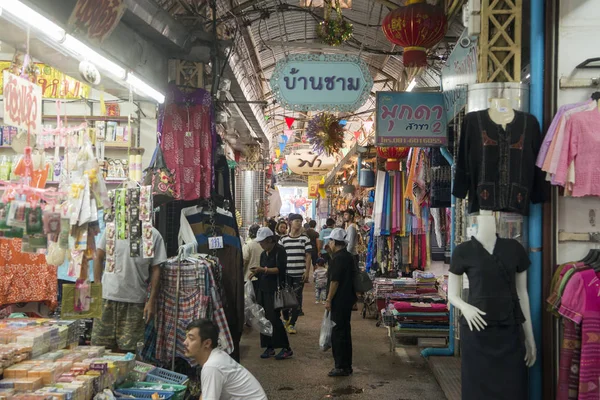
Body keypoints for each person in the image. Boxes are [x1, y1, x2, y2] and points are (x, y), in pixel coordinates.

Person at [91, 226, 167, 352]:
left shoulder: (152, 235)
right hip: (106, 298)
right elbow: (98, 256)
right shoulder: (112, 229)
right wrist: (97, 287)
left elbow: (156, 268)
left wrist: (151, 301)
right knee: (99, 348)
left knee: (130, 350)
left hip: (135, 301)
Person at [184, 319, 267, 400]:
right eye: (186, 337)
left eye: (191, 338)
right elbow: (206, 394)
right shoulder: (216, 356)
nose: (185, 342)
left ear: (207, 343)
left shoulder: (212, 366)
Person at [251, 227, 293, 360]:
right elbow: (264, 269)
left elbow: (279, 270)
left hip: (275, 290)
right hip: (263, 289)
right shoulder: (264, 254)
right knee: (263, 318)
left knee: (274, 318)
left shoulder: (279, 251)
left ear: (270, 240)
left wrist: (262, 270)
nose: (261, 244)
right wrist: (256, 272)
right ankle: (269, 347)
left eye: (262, 242)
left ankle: (285, 348)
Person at [324, 228, 356, 377]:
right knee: (344, 332)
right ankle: (346, 365)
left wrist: (329, 299)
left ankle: (341, 366)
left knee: (338, 333)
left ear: (333, 242)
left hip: (339, 301)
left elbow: (335, 281)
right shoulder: (348, 256)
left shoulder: (338, 258)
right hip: (347, 299)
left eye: (330, 241)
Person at [279, 213, 312, 334]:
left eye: (300, 221)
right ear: (290, 222)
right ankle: (286, 320)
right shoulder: (283, 239)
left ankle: (292, 323)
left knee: (297, 299)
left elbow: (308, 256)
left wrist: (307, 272)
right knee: (285, 298)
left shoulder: (305, 239)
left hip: (299, 274)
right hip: (286, 274)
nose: (298, 223)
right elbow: (280, 257)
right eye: (296, 220)